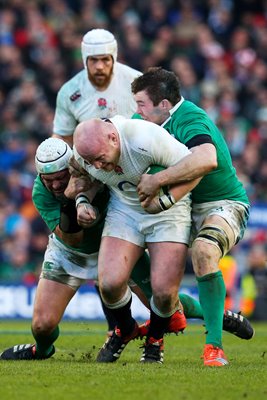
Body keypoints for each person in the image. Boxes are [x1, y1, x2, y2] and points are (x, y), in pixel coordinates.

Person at [0, 138, 253, 361]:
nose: (54, 185)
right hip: (68, 253)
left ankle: (217, 315)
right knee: (42, 326)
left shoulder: (94, 170)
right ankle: (41, 351)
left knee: (165, 302)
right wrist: (70, 198)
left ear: (73, 168)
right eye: (48, 180)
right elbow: (72, 238)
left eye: (60, 178)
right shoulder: (39, 193)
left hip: (115, 245)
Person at [131, 67, 251, 366]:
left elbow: (207, 158)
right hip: (180, 207)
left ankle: (214, 347)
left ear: (164, 105)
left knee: (204, 250)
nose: (137, 111)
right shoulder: (143, 122)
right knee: (141, 270)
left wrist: (157, 181)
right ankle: (210, 312)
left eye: (142, 104)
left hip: (222, 204)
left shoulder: (190, 118)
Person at [73, 115, 204, 364]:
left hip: (169, 212)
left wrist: (165, 198)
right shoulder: (84, 154)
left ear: (113, 138)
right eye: (92, 162)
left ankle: (154, 340)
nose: (97, 166)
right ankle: (125, 329)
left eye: (100, 159)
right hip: (125, 210)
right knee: (109, 284)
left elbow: (195, 167)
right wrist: (82, 202)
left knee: (165, 293)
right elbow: (87, 180)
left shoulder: (144, 137)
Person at [52, 27, 142, 334]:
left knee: (148, 267)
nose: (100, 67)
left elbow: (158, 127)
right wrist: (73, 189)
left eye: (105, 60)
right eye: (93, 61)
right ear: (84, 59)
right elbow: (61, 141)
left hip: (134, 182)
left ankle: (177, 316)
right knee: (104, 255)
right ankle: (116, 328)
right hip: (94, 184)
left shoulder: (135, 83)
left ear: (114, 57)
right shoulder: (70, 92)